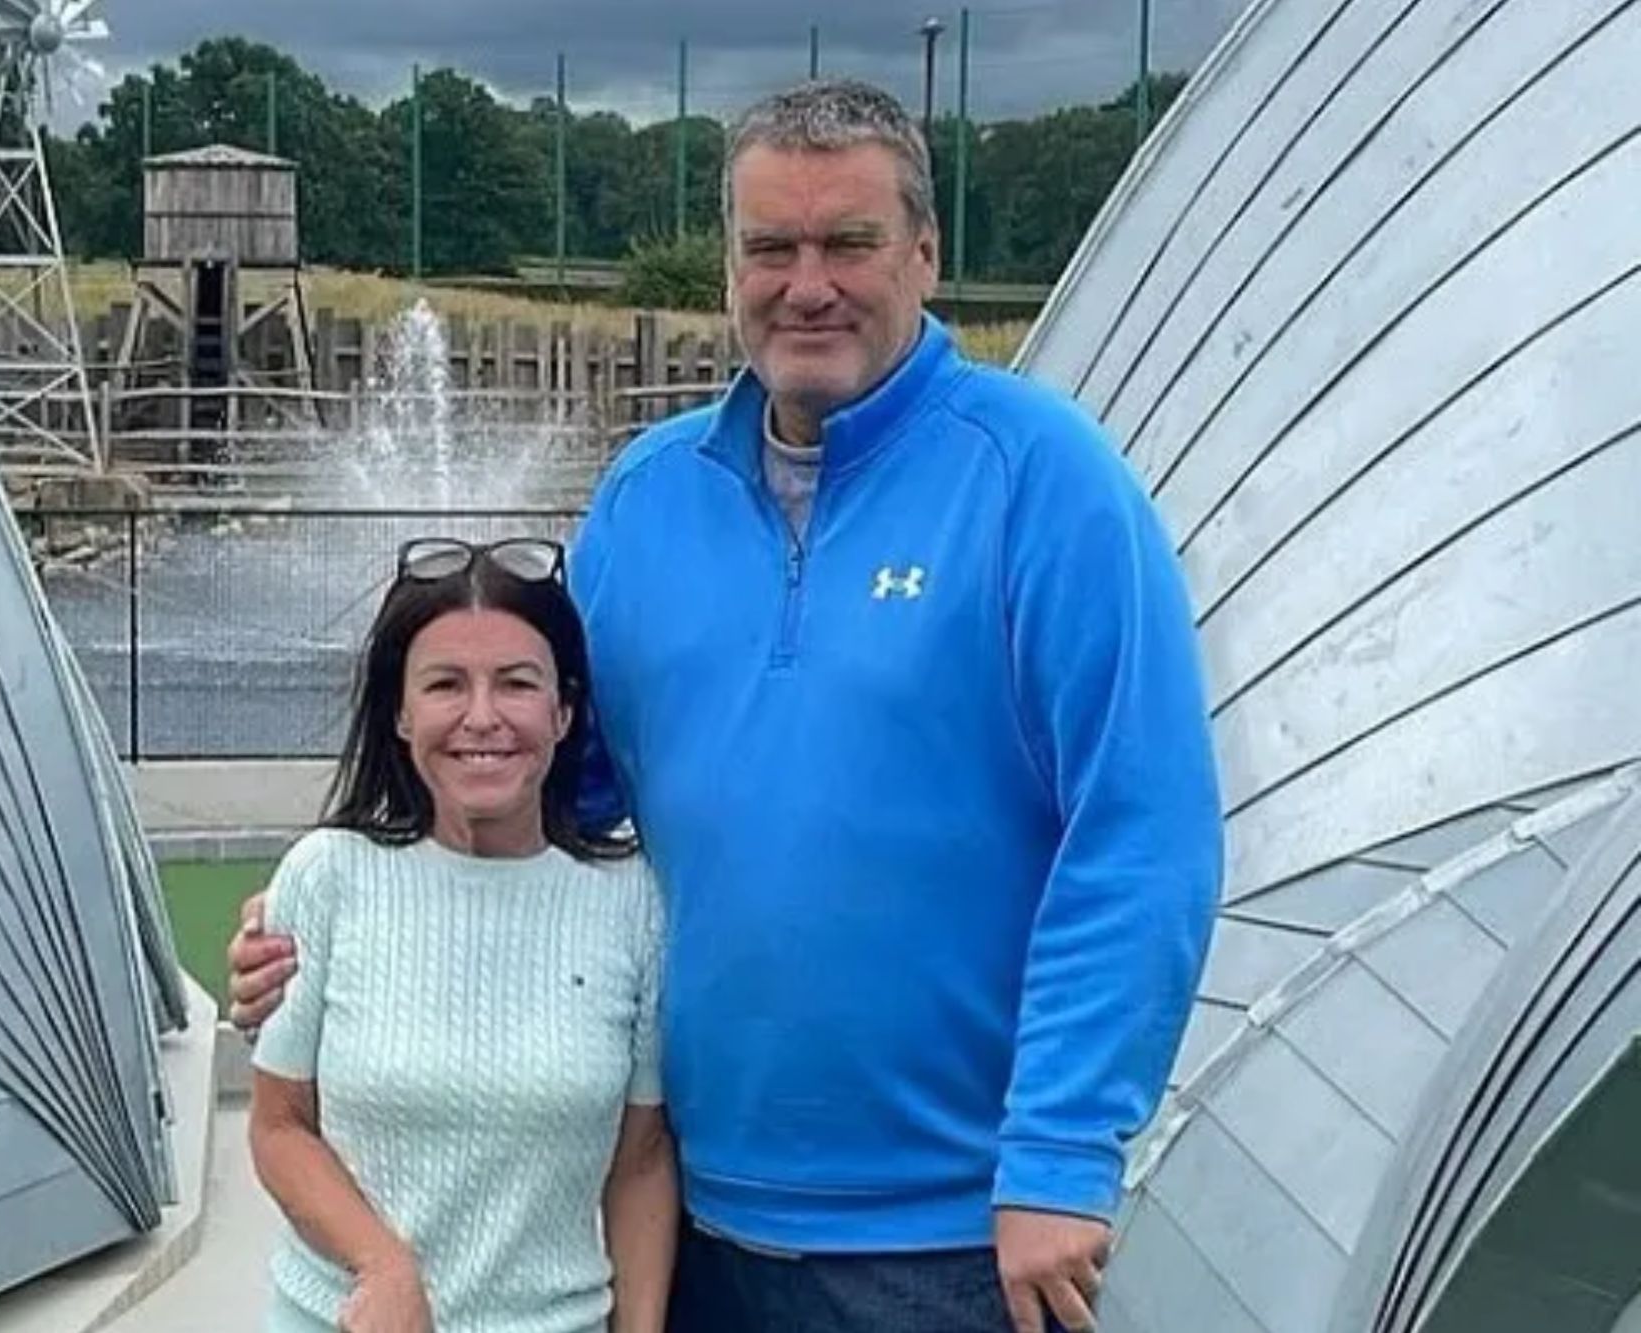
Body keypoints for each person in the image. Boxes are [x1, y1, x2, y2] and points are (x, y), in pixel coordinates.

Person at [235, 80, 1222, 1333]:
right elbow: (554, 793)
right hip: (692, 1221)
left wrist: (1062, 1154)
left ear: (923, 251)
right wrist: (327, 909)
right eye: (770, 247)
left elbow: (1142, 833)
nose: (806, 283)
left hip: (954, 1238)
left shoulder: (1046, 481)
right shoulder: (649, 498)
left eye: (848, 243)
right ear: (729, 268)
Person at [246, 536, 677, 1333]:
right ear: (403, 714)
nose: (483, 717)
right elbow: (278, 1125)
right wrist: (384, 1264)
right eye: (446, 685)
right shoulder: (325, 876)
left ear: (564, 710)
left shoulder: (631, 900)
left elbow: (641, 1160)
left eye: (517, 684)